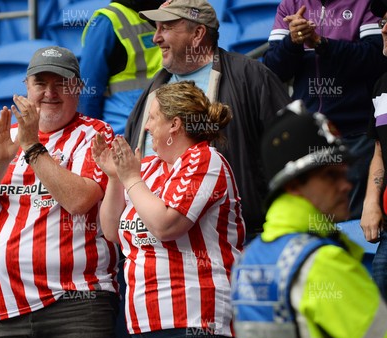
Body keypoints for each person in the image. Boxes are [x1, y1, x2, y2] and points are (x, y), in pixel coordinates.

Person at [0, 46, 119, 338]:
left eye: (60, 83)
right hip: (10, 307)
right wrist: (0, 161)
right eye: (40, 82)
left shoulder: (96, 134)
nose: (49, 93)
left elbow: (79, 200)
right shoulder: (6, 139)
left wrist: (33, 147)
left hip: (77, 302)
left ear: (77, 88)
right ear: (26, 88)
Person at [93, 80, 244, 338]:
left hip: (195, 319)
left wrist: (130, 177)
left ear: (174, 124)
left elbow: (165, 226)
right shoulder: (148, 169)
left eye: (152, 118)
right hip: (146, 321)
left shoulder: (205, 160)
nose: (146, 127)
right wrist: (114, 178)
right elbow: (110, 231)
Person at [232, 100, 387, 338]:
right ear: (292, 186)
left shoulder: (251, 260)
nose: (346, 185)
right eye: (330, 175)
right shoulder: (322, 262)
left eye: (344, 173)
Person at [124, 0, 291, 239]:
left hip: (233, 240)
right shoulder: (153, 89)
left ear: (198, 33)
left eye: (166, 28)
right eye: (156, 28)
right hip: (156, 243)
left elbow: (288, 150)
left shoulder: (251, 76)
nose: (156, 38)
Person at [264, 0, 387, 220]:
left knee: (355, 220)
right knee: (317, 217)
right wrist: (292, 42)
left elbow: (376, 60)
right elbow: (273, 70)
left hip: (355, 133)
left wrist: (321, 43)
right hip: (310, 135)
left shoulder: (366, 3)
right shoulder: (290, 4)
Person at [79, 0, 163, 136]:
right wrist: (89, 138)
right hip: (122, 134)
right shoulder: (107, 21)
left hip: (163, 131)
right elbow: (88, 89)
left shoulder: (169, 12)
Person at [362, 0, 387, 301]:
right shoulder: (382, 86)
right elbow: (379, 150)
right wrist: (371, 201)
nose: (384, 27)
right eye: (382, 20)